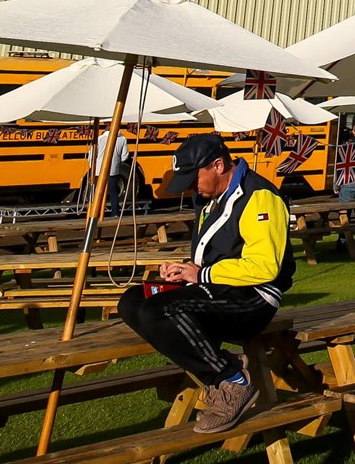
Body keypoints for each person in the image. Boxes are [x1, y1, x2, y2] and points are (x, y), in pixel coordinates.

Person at [118, 133, 294, 434]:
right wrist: (181, 270)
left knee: (157, 311)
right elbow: (209, 256)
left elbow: (265, 267)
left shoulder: (259, 197)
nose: (189, 187)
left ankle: (233, 381)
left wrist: (199, 274)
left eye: (192, 177)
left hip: (253, 298)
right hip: (215, 287)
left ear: (217, 165)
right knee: (133, 300)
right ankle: (219, 370)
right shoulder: (210, 200)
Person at [86, 128, 134, 213]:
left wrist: (92, 167)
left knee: (97, 192)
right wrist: (117, 162)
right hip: (113, 170)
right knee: (113, 192)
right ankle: (115, 212)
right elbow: (125, 155)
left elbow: (92, 154)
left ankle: (95, 213)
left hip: (98, 170)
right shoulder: (122, 139)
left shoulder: (99, 139)